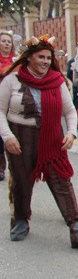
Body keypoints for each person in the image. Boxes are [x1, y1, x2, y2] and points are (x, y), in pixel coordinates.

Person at [0, 35, 78, 247]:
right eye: (40, 57)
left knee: (60, 179)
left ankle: (77, 225)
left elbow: (70, 111)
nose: (45, 61)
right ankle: (21, 220)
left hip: (51, 137)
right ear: (29, 58)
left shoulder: (57, 81)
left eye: (48, 58)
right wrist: (8, 137)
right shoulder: (12, 81)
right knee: (22, 181)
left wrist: (70, 132)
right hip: (20, 137)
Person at [0, 30, 17, 181]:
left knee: (15, 134)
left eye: (9, 41)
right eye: (3, 41)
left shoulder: (17, 61)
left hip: (13, 101)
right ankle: (1, 167)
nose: (6, 44)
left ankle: (17, 166)